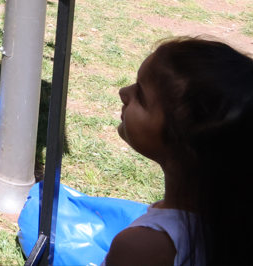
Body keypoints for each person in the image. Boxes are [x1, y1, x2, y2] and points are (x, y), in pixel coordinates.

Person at [103, 37, 253, 266]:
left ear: (184, 150)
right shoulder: (234, 223)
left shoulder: (143, 246)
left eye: (141, 96)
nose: (124, 92)